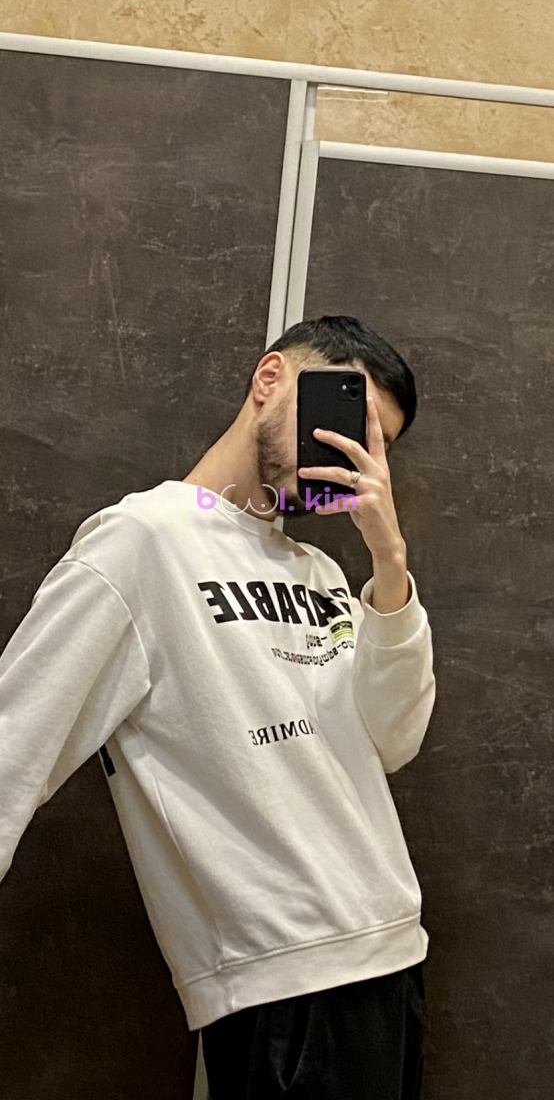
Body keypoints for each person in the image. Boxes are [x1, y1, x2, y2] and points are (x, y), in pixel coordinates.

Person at [0, 315, 435, 1098]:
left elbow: (393, 739)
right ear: (270, 379)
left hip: (393, 955)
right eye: (348, 415)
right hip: (282, 980)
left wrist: (389, 562)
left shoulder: (321, 574)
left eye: (377, 443)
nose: (354, 450)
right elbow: (12, 743)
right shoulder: (141, 541)